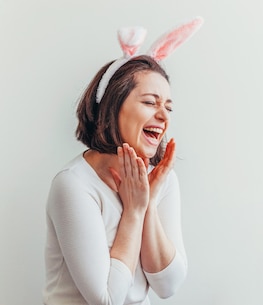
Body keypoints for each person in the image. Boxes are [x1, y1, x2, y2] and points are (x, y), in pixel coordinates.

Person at [43, 17, 203, 305]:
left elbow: (168, 285)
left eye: (168, 106)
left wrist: (149, 204)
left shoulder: (162, 180)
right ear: (112, 106)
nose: (164, 116)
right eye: (150, 102)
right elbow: (107, 300)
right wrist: (134, 211)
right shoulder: (73, 185)